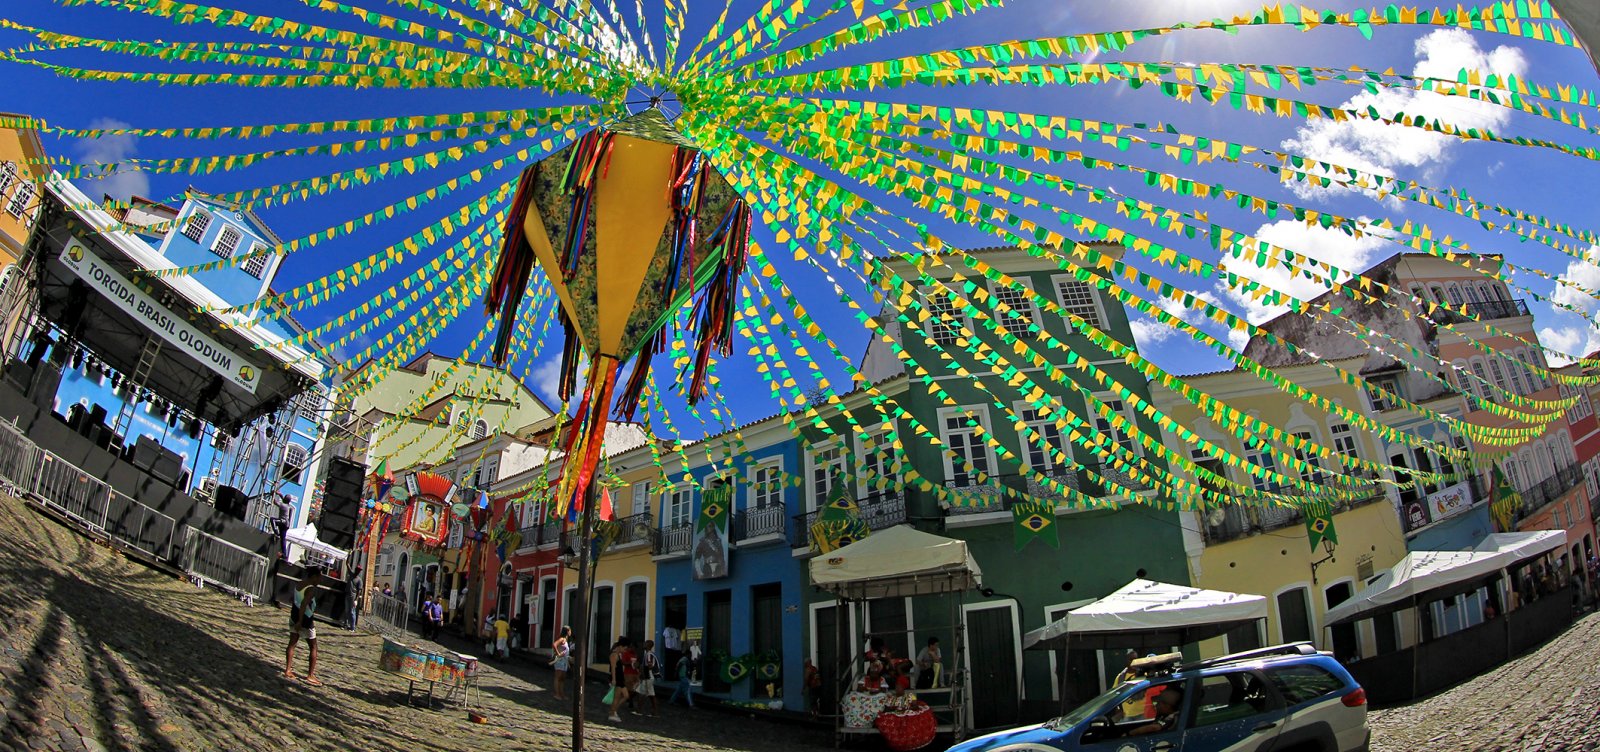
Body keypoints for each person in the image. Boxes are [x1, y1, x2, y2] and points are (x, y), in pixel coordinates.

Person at [284, 566, 324, 685]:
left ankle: (288, 669)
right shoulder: (311, 589)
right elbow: (303, 605)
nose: (320, 580)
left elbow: (296, 600)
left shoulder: (299, 584)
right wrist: (300, 622)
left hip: (293, 615)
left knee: (292, 643)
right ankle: (310, 675)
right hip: (305, 620)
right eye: (319, 578)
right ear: (313, 577)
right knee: (313, 647)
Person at [607, 637, 635, 722]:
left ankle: (613, 710)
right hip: (617, 678)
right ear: (621, 646)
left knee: (626, 696)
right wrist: (614, 680)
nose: (625, 650)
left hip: (620, 678)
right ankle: (612, 713)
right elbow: (613, 668)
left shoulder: (618, 654)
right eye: (625, 648)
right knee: (617, 697)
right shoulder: (614, 655)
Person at [637, 639, 661, 716]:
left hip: (648, 676)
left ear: (648, 645)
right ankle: (655, 711)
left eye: (645, 643)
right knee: (651, 695)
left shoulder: (648, 655)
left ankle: (639, 710)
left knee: (642, 693)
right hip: (649, 676)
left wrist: (643, 674)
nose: (644, 644)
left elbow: (650, 666)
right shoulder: (649, 654)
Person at [550, 626, 572, 701]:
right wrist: (558, 653)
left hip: (565, 661)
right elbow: (554, 644)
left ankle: (562, 694)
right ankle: (557, 694)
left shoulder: (566, 640)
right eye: (570, 631)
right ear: (567, 631)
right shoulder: (562, 639)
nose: (571, 632)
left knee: (562, 678)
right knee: (558, 677)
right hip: (559, 661)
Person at [346, 566, 363, 632]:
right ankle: (346, 624)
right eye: (358, 570)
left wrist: (356, 600)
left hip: (353, 597)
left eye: (359, 570)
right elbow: (347, 565)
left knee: (352, 612)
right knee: (347, 611)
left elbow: (359, 591)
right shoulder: (351, 574)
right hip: (347, 595)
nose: (358, 571)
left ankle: (352, 627)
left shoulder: (359, 580)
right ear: (355, 570)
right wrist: (349, 555)